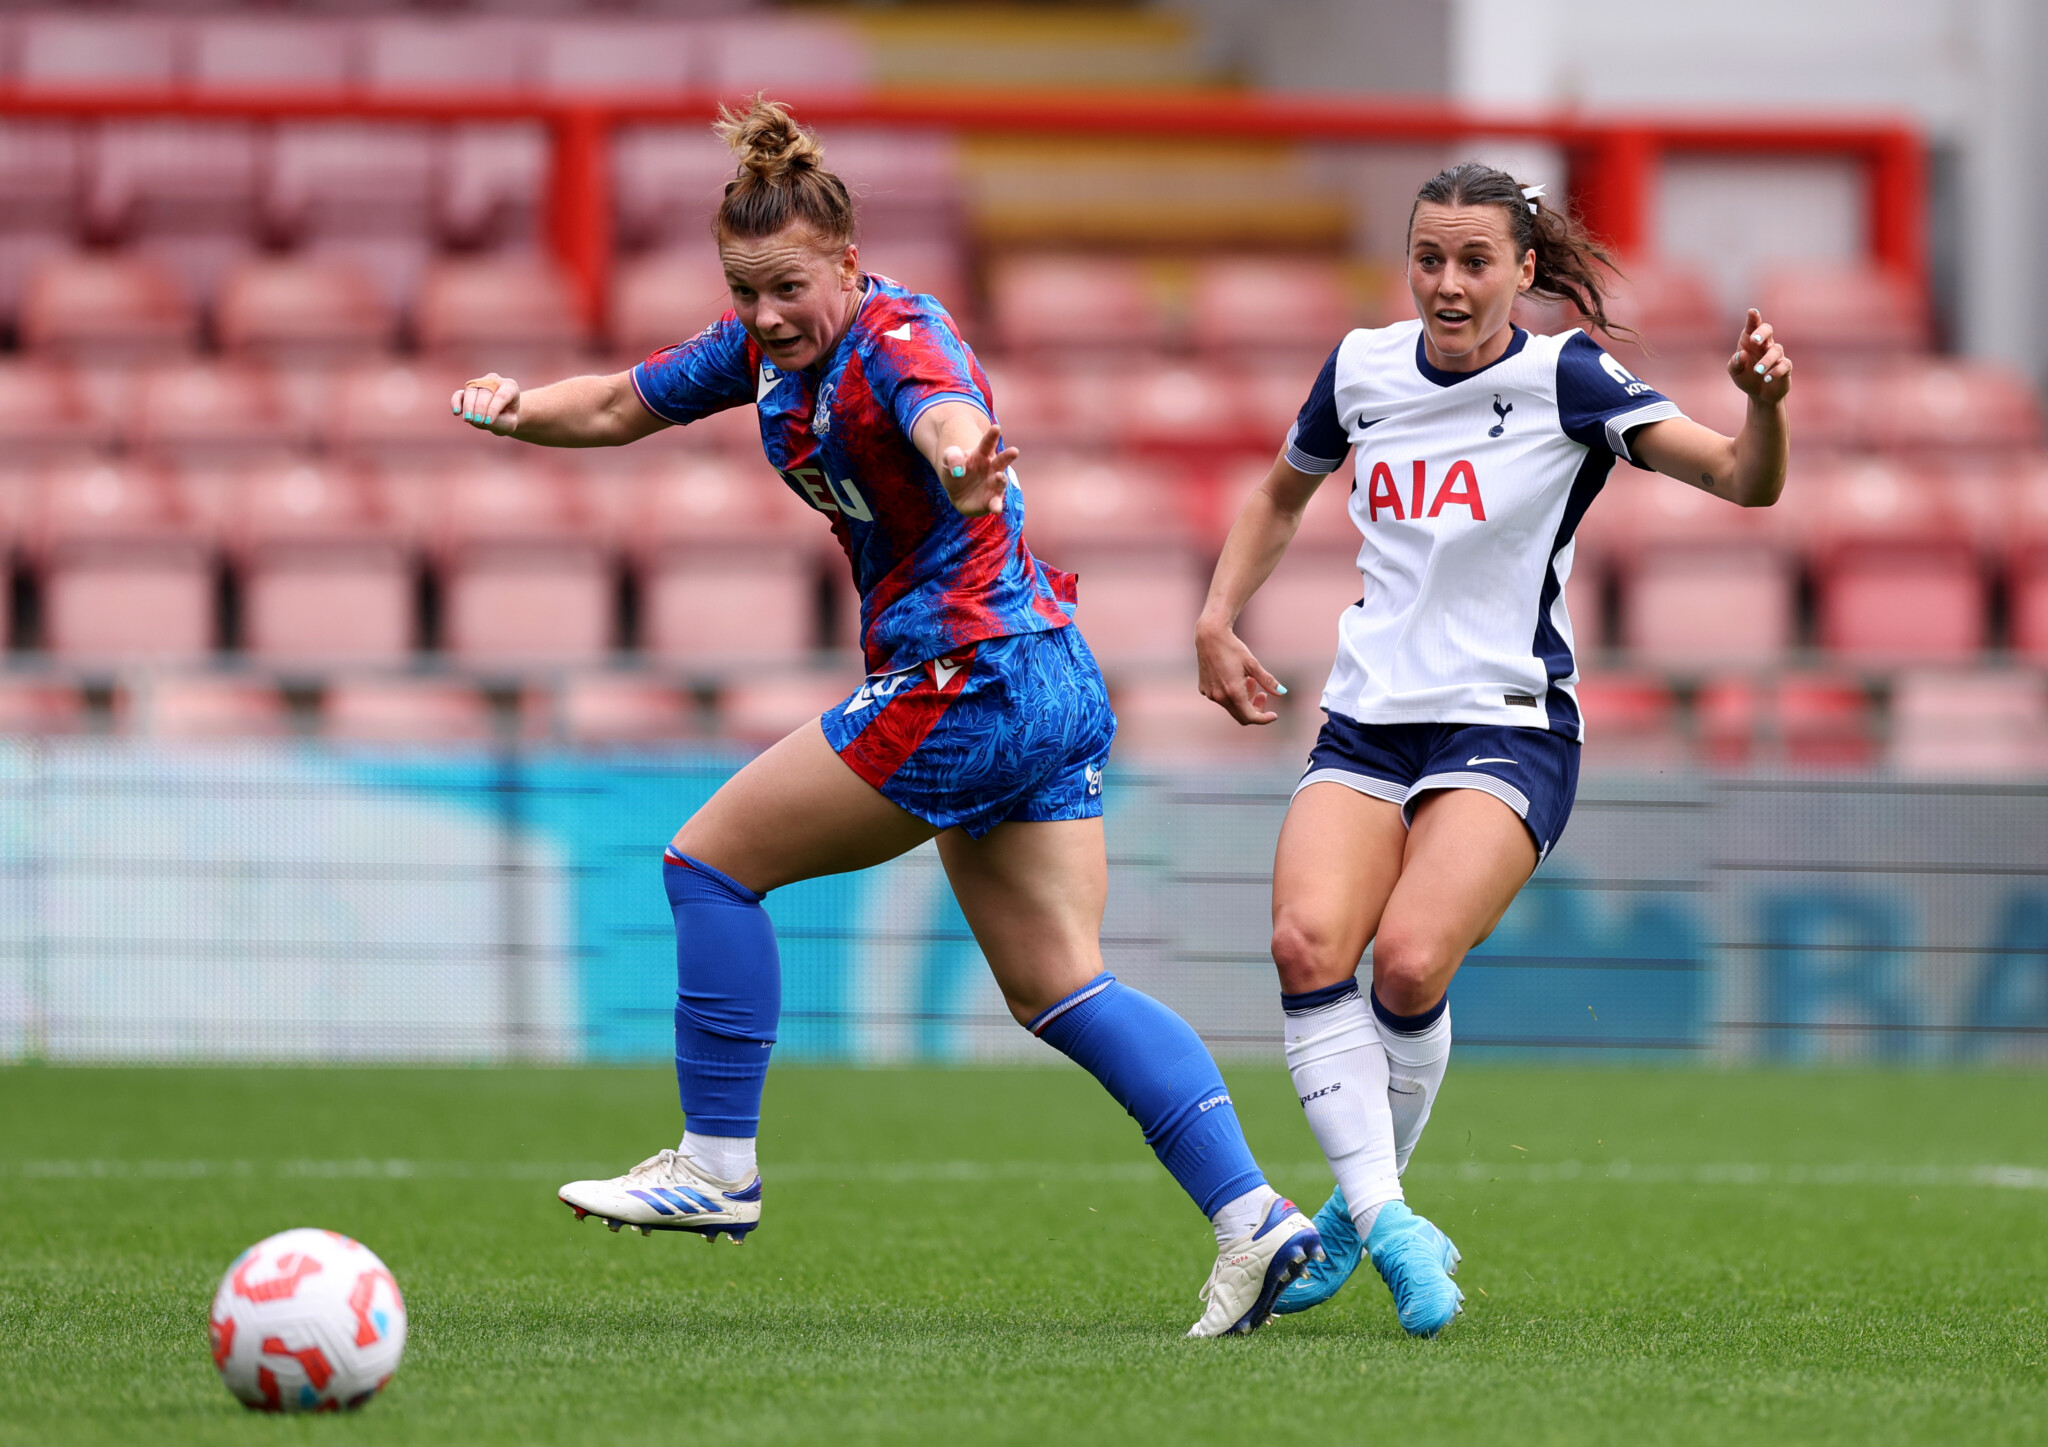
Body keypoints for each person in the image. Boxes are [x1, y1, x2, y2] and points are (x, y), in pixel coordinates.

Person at [449, 96, 1321, 1338]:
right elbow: (617, 406)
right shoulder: (764, 351)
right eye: (744, 290)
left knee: (707, 865)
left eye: (787, 288)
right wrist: (516, 407)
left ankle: (715, 1162)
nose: (764, 313)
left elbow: (945, 410)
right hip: (1038, 673)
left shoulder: (898, 334)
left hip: (964, 679)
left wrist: (965, 455)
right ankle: (1252, 1218)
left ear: (848, 264)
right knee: (1059, 984)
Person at [1195, 162, 1791, 1336]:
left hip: (1506, 720)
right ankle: (1385, 1220)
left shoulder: (1566, 376)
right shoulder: (1359, 369)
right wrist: (1217, 617)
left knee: (1410, 963)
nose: (1447, 285)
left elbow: (1741, 480)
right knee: (1304, 942)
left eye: (1474, 262)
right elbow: (1275, 497)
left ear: (1522, 269)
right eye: (1427, 259)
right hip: (1368, 717)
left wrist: (1762, 405)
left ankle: (1359, 1216)